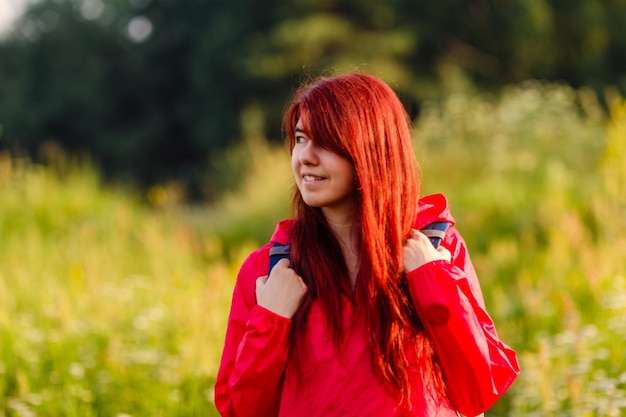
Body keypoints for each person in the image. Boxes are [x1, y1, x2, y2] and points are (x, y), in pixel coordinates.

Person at [214, 72, 519, 417]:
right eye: (300, 138)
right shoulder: (270, 272)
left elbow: (478, 391)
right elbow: (241, 411)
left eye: (325, 142)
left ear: (372, 149)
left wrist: (431, 279)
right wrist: (272, 318)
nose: (305, 157)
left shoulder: (436, 249)